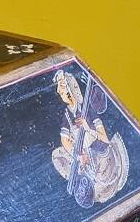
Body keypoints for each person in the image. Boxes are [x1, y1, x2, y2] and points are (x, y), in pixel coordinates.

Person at [50, 70, 129, 206]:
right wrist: (77, 154)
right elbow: (64, 140)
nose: (58, 90)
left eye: (62, 86)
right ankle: (82, 179)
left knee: (87, 140)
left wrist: (87, 129)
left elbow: (104, 140)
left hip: (101, 159)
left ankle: (89, 184)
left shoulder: (88, 110)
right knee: (57, 155)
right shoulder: (68, 114)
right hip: (83, 157)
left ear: (70, 87)